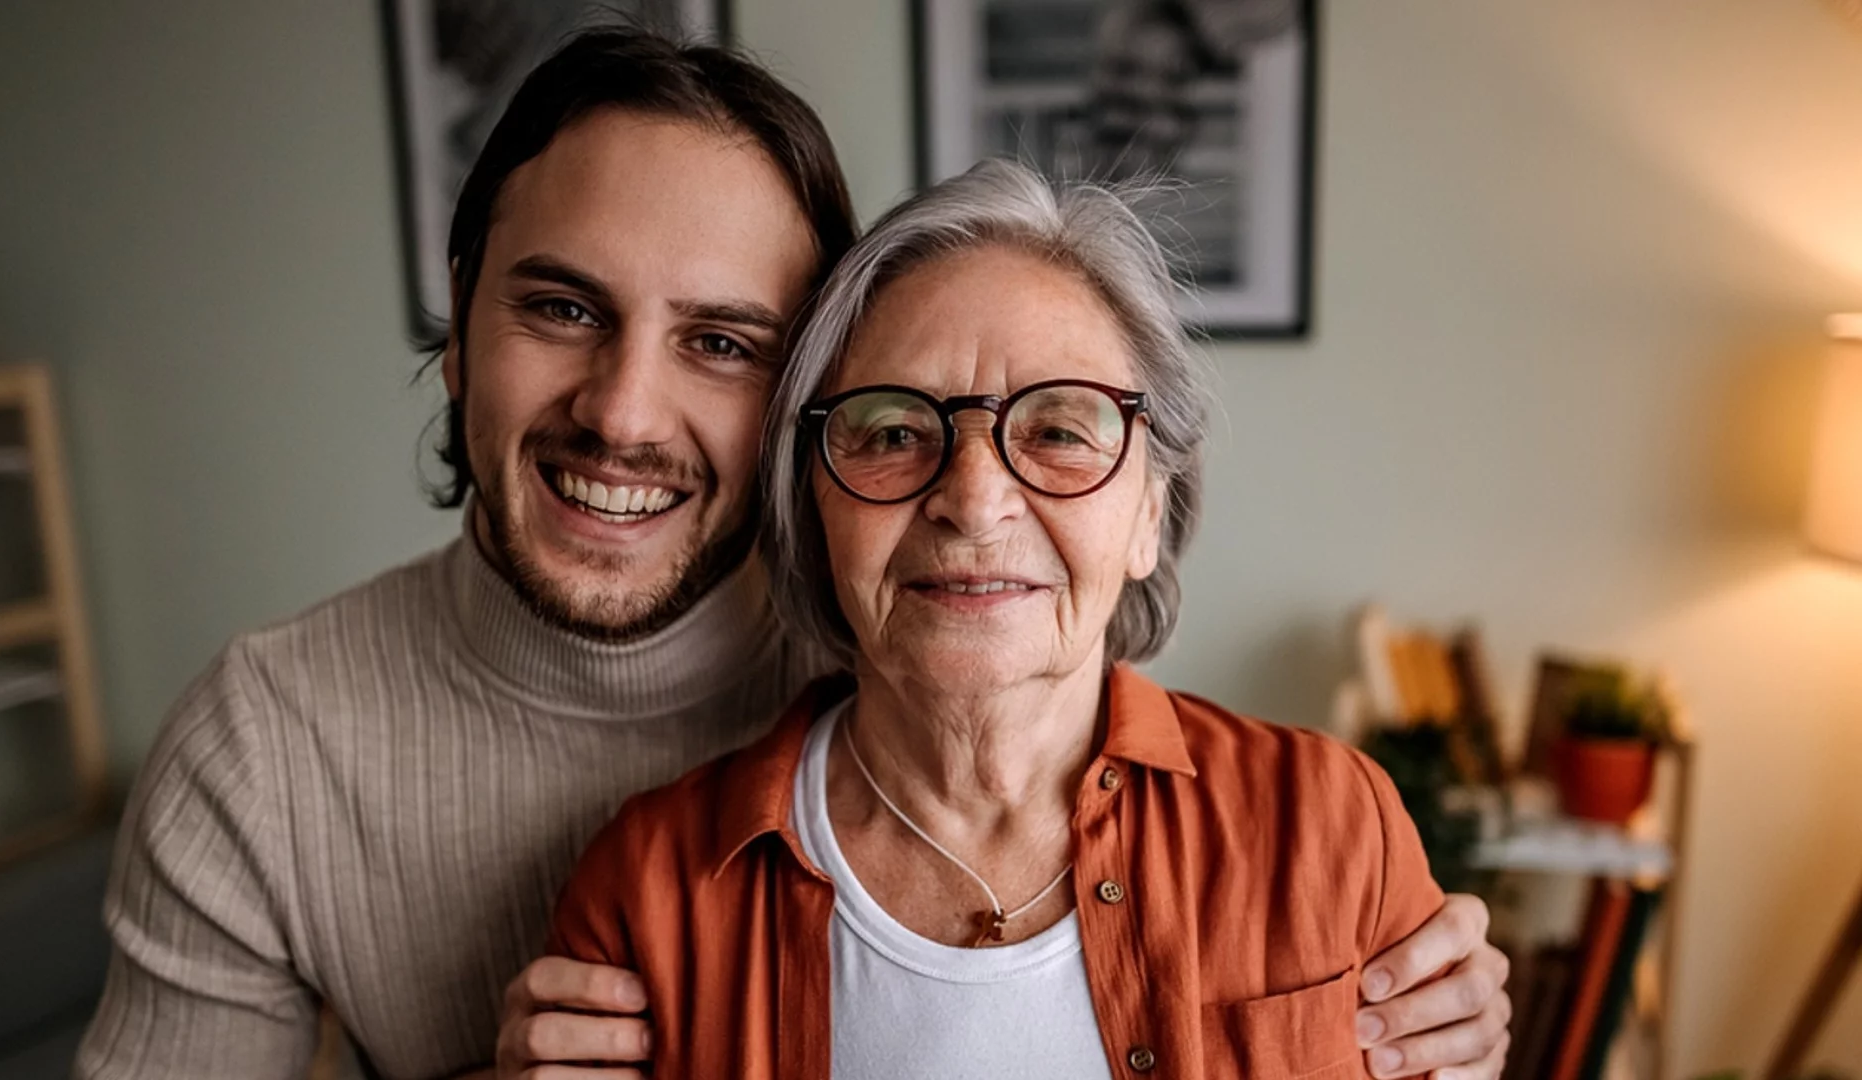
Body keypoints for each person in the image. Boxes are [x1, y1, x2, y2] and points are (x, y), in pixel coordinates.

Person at [76, 28, 1509, 1080]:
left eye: (720, 342)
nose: (624, 412)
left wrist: (1443, 1005)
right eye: (562, 308)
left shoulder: (1001, 656)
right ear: (459, 323)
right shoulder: (272, 754)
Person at [544, 158, 1494, 1077]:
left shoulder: (1331, 826)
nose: (975, 499)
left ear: (1149, 516)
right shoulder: (649, 892)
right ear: (814, 505)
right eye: (893, 432)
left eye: (1058, 431)